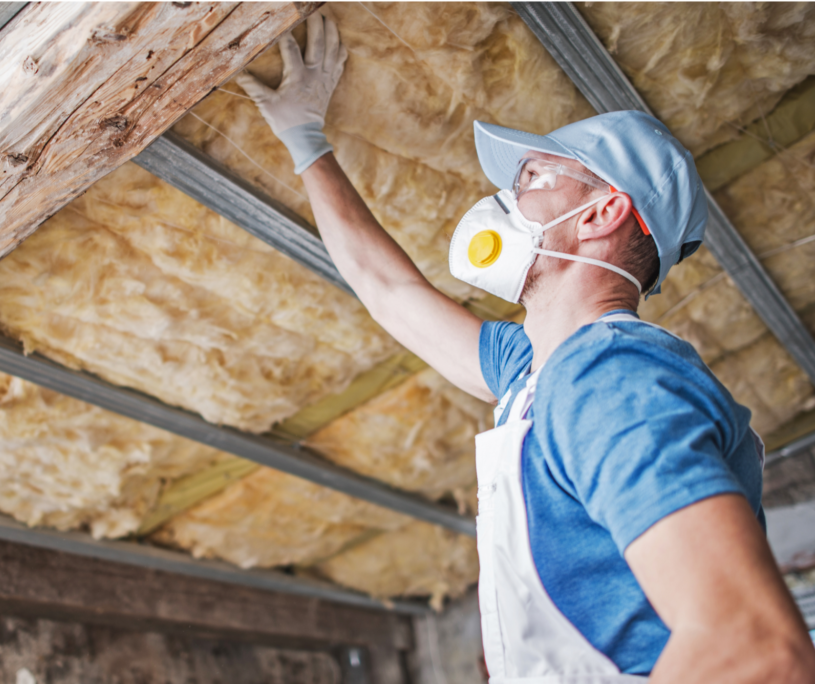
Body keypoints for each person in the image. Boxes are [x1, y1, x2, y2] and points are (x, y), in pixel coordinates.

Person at [236, 14, 815, 683]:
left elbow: (755, 649)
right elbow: (389, 290)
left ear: (602, 214)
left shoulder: (610, 377)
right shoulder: (537, 375)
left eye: (535, 178)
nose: (505, 197)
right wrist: (306, 141)